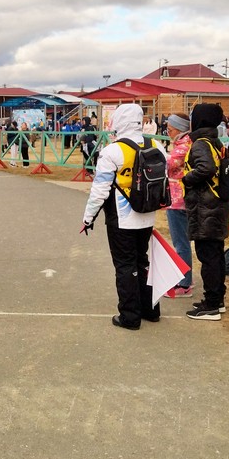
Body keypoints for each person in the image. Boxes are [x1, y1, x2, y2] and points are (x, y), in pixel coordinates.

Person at [81, 103, 163, 330]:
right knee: (142, 261)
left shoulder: (112, 151)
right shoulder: (156, 144)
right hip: (147, 214)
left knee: (125, 265)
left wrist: (88, 217)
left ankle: (130, 316)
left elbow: (100, 189)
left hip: (122, 216)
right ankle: (150, 309)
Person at [181, 103, 229, 321]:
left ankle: (210, 305)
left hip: (205, 207)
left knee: (208, 256)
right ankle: (217, 300)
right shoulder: (215, 141)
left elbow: (206, 168)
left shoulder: (200, 143)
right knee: (216, 254)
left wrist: (186, 178)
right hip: (217, 205)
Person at [163, 113, 193, 298]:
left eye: (171, 129)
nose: (168, 132)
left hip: (178, 200)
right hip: (182, 198)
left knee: (181, 243)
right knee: (183, 242)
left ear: (180, 129)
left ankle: (184, 283)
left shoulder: (183, 147)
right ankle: (186, 276)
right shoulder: (186, 143)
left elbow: (169, 165)